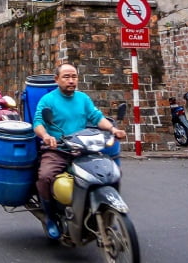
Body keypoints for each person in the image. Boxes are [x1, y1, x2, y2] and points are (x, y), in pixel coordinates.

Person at [33, 63, 126, 239]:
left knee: (112, 172)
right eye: (66, 77)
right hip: (58, 149)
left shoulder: (83, 99)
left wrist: (113, 130)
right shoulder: (48, 100)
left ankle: (108, 210)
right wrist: (46, 136)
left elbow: (97, 117)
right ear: (57, 79)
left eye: (74, 77)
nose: (71, 80)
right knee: (45, 177)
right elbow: (38, 123)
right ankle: (50, 217)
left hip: (83, 149)